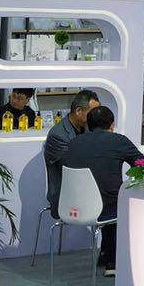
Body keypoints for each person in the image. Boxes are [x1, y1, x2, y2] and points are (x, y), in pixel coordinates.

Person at [63, 105, 141, 276]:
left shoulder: (74, 143)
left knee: (107, 194)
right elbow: (143, 165)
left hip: (72, 207)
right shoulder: (118, 141)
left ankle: (106, 254)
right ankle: (113, 260)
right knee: (118, 200)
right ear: (112, 126)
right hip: (105, 208)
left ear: (88, 125)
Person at [43, 89, 99, 219]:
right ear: (79, 111)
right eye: (92, 113)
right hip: (66, 194)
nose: (95, 117)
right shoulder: (58, 135)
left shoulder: (89, 128)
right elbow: (73, 165)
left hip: (85, 187)